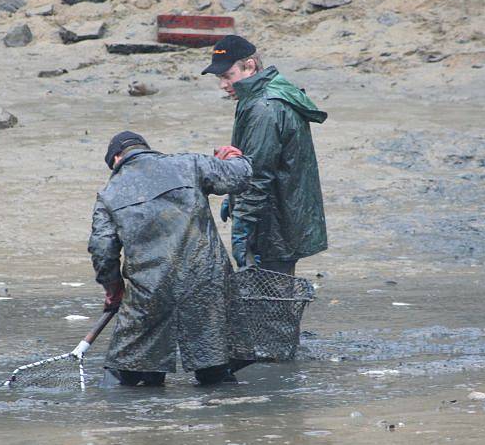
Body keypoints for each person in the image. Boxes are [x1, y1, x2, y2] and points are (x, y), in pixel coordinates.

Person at [88, 131, 252, 387]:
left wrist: (113, 289)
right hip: (206, 279)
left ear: (117, 158)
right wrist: (233, 156)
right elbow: (240, 176)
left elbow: (102, 250)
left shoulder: (109, 194)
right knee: (214, 365)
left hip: (149, 288)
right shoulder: (189, 164)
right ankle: (227, 416)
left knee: (126, 369)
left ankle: (125, 414)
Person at [202, 35, 328, 276]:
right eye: (219, 78)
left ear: (249, 66)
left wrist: (242, 226)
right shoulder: (257, 96)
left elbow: (258, 173)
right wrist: (234, 195)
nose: (223, 85)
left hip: (275, 222)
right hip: (279, 214)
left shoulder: (264, 108)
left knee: (273, 296)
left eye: (227, 76)